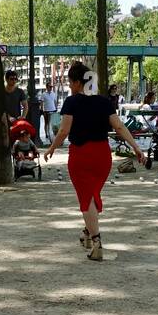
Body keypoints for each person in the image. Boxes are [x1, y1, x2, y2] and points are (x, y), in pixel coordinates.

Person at [43, 61, 148, 261]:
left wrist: (51, 148)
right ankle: (87, 234)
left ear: (76, 82)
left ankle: (97, 242)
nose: (69, 86)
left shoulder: (71, 102)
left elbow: (64, 130)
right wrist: (136, 147)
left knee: (86, 199)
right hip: (102, 156)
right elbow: (119, 127)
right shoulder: (104, 102)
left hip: (81, 154)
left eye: (70, 82)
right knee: (92, 195)